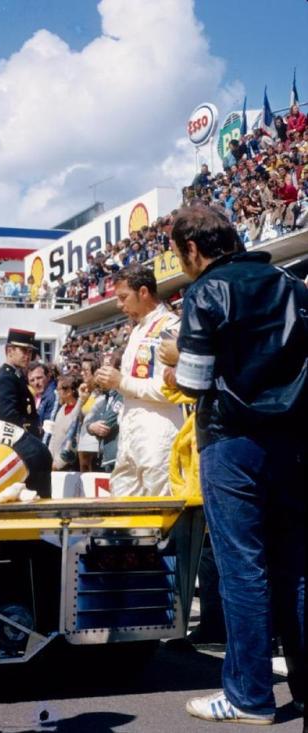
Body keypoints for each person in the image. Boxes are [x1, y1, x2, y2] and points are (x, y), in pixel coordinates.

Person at [169, 204, 306, 725]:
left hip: (231, 442)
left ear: (193, 249)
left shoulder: (206, 291)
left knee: (243, 570)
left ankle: (250, 697)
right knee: (296, 568)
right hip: (293, 441)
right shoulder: (292, 284)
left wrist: (174, 358)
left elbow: (195, 382)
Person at [95, 263, 182, 495]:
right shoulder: (137, 331)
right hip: (130, 434)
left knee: (162, 513)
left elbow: (171, 389)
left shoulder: (170, 327)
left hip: (158, 437)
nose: (119, 305)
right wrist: (112, 381)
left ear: (143, 292)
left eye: (123, 297)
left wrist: (121, 382)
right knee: (124, 507)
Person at [0, 329, 41, 438]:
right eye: (23, 350)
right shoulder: (5, 378)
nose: (28, 356)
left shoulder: (16, 376)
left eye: (30, 352)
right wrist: (32, 430)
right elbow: (8, 417)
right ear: (10, 351)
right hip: (15, 440)